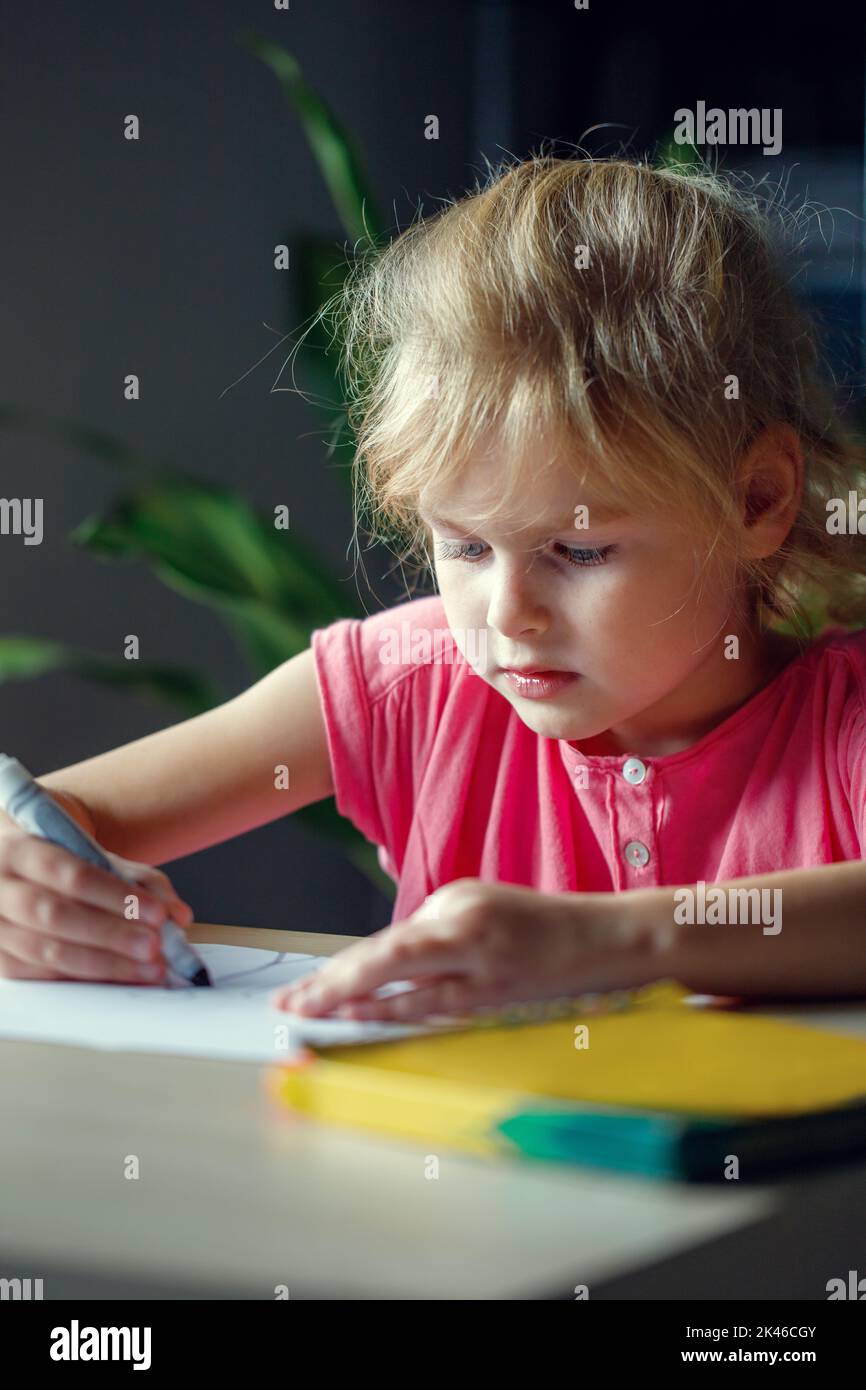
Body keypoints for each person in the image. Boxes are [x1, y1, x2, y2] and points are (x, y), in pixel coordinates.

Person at [4, 155, 866, 1021]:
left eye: (578, 548)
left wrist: (613, 942)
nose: (507, 614)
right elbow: (56, 817)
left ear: (758, 498)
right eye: (463, 545)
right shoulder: (409, 684)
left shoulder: (844, 730)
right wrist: (27, 892)